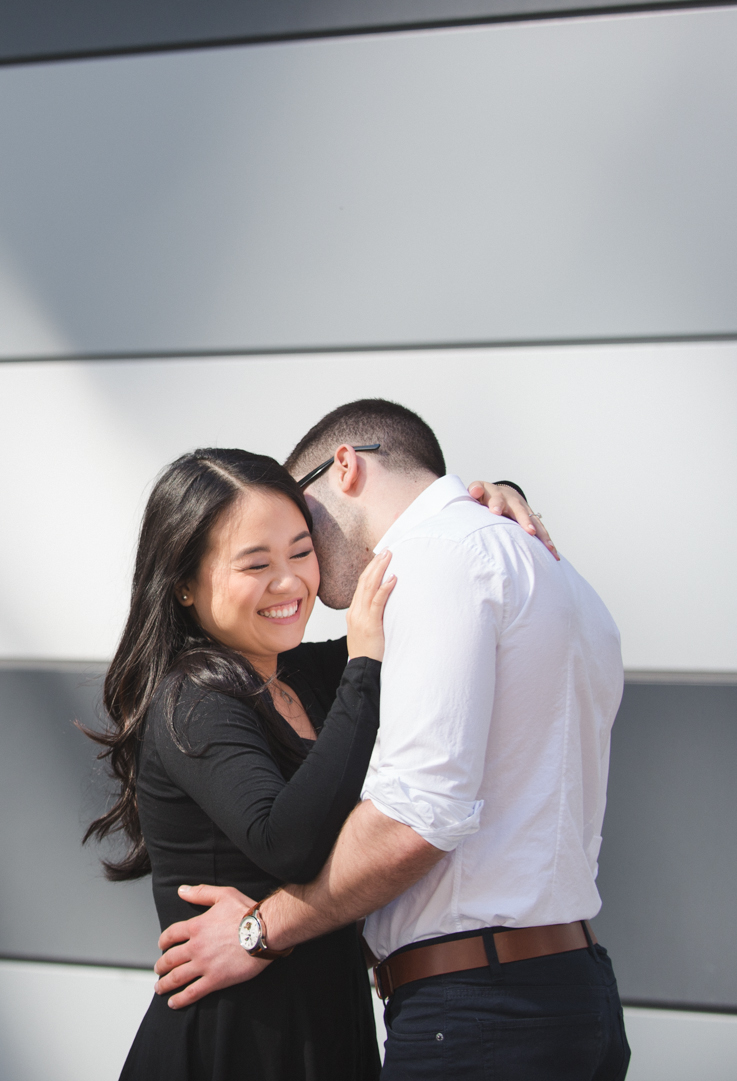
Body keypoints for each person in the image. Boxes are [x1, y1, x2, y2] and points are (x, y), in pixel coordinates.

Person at [151, 401, 629, 1081]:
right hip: (571, 991)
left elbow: (416, 819)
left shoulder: (438, 562)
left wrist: (258, 930)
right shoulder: (542, 563)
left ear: (344, 468)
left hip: (482, 1009)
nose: (301, 564)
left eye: (300, 526)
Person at [88, 446, 546, 1080]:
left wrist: (489, 500)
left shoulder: (303, 674)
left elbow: (429, 585)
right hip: (234, 1044)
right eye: (256, 564)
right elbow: (289, 845)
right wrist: (363, 668)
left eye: (301, 552)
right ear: (185, 586)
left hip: (329, 1034)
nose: (290, 583)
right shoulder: (190, 696)